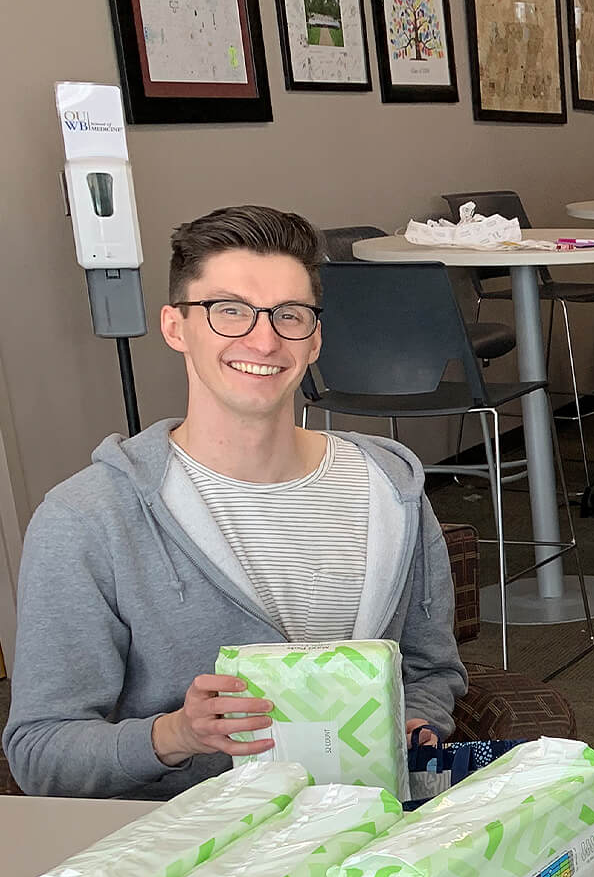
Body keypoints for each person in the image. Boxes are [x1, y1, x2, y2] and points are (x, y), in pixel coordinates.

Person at [4, 205, 466, 799]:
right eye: (229, 312)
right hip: (193, 860)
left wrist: (412, 722)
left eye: (290, 315)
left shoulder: (390, 487)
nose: (264, 339)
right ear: (176, 328)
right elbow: (40, 752)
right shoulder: (88, 518)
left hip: (372, 843)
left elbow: (430, 672)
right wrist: (174, 735)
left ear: (316, 337)